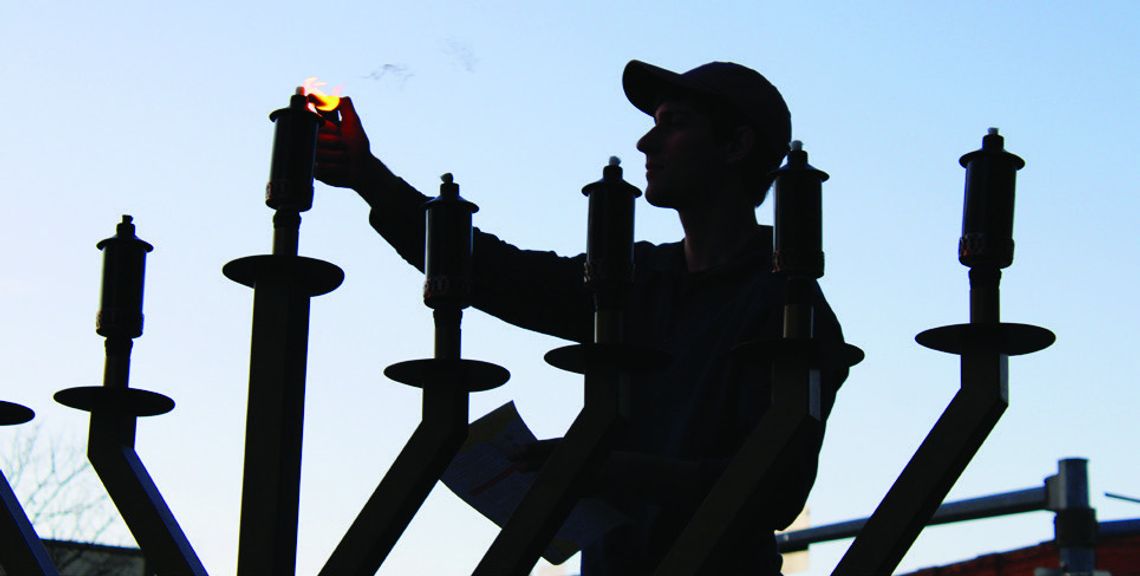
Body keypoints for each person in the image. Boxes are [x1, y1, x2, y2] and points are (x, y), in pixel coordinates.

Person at [316, 59, 847, 575]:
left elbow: (775, 488)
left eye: (674, 125)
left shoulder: (789, 313)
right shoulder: (631, 281)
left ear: (736, 145)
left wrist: (600, 468)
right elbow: (497, 274)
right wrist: (369, 177)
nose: (646, 142)